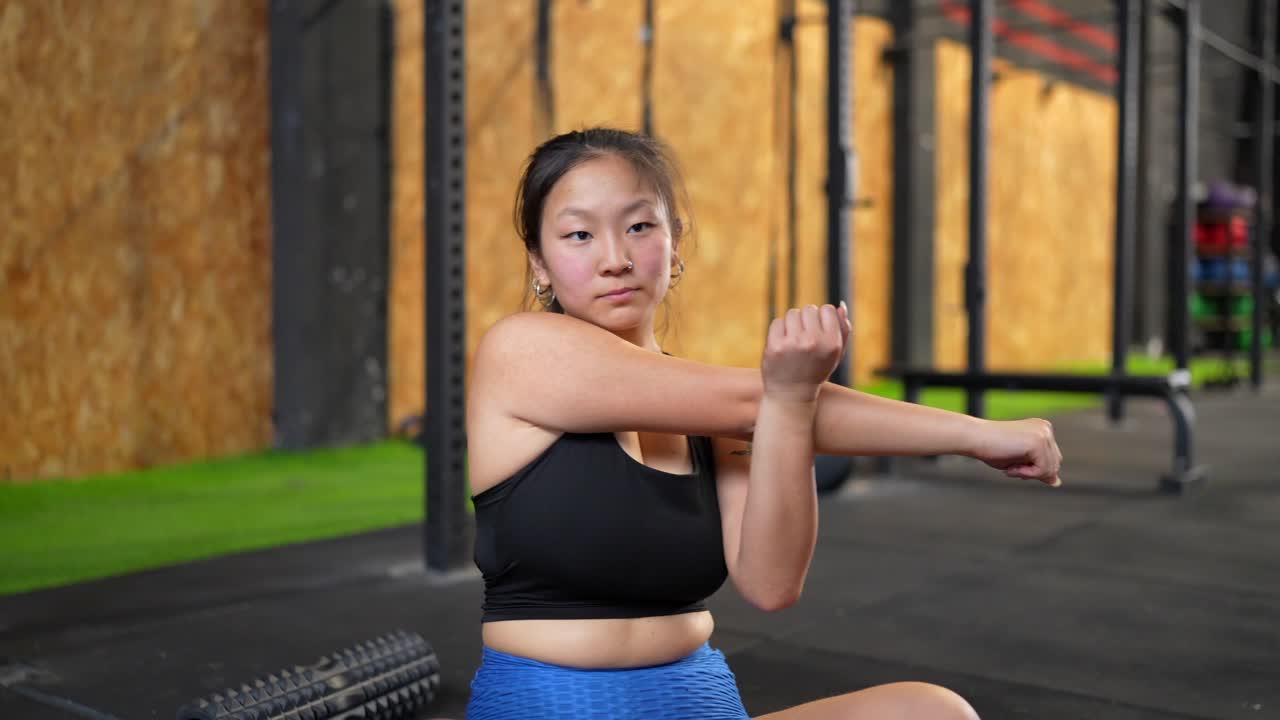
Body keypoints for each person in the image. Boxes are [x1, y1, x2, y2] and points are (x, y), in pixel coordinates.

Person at [463, 128, 1062, 720]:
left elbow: (772, 585)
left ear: (675, 246)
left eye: (640, 226)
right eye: (579, 235)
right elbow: (756, 402)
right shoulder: (520, 351)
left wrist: (792, 401)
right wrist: (981, 436)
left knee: (932, 712)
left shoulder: (713, 412)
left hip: (699, 703)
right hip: (555, 703)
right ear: (539, 264)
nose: (615, 259)